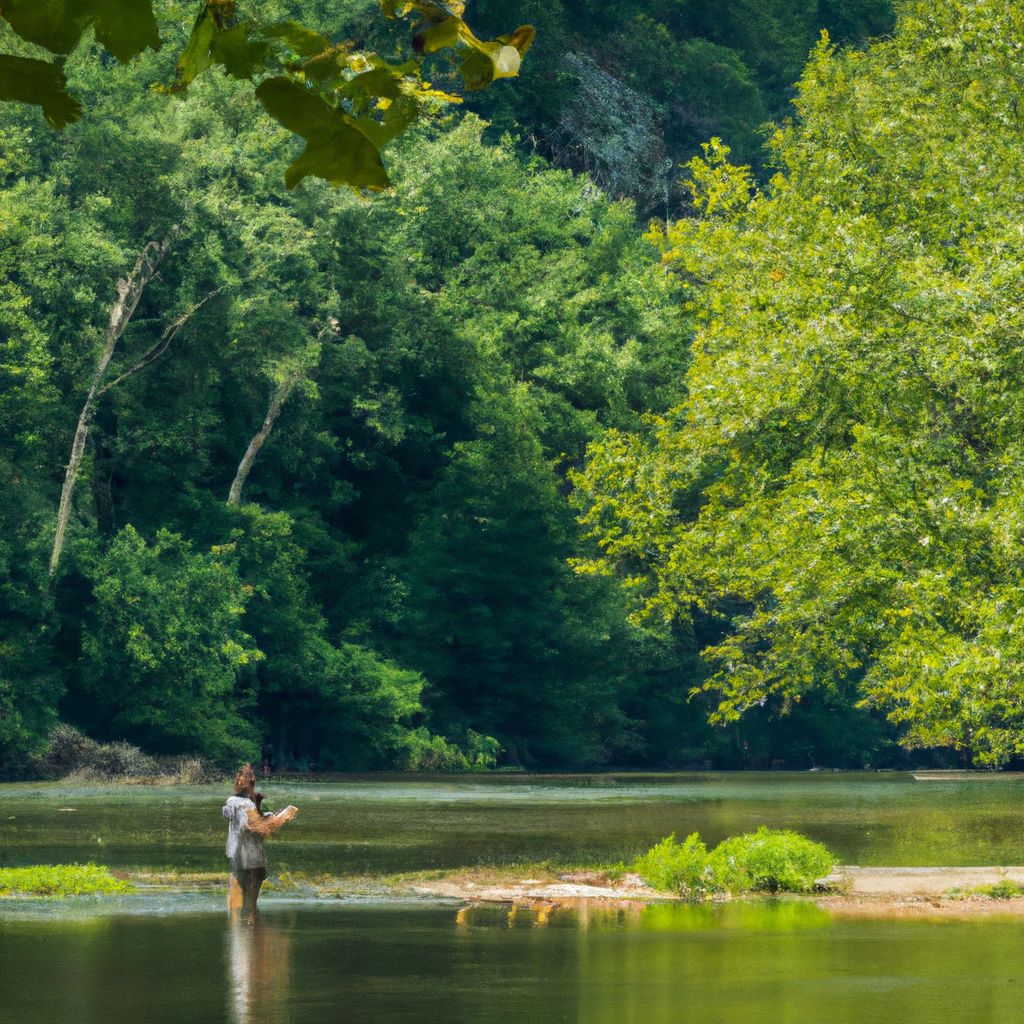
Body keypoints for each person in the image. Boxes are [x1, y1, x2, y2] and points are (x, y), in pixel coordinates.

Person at [223, 763, 298, 921]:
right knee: (253, 882)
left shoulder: (233, 801)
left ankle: (239, 917)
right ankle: (250, 917)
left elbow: (249, 820)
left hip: (236, 851)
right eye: (252, 783)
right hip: (249, 853)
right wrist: (275, 821)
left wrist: (262, 811)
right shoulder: (244, 803)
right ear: (249, 783)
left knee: (242, 880)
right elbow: (249, 825)